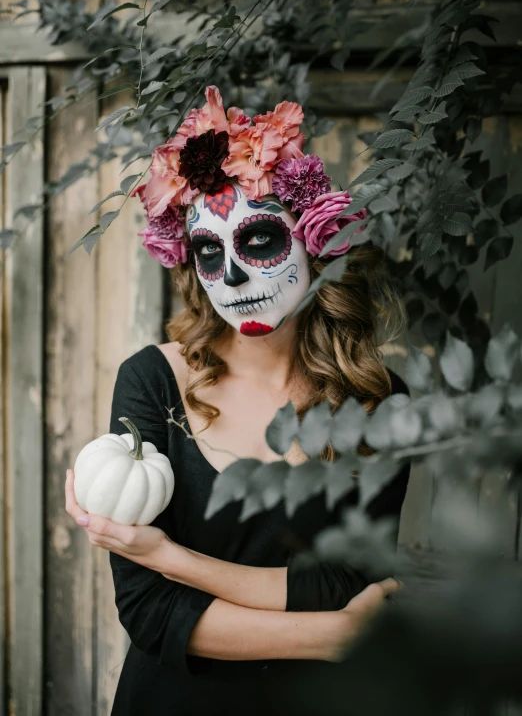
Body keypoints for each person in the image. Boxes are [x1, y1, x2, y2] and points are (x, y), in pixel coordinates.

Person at [65, 86, 410, 716]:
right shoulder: (152, 382)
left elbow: (340, 582)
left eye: (257, 242)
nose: (232, 276)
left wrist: (169, 557)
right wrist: (333, 635)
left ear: (316, 241)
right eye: (208, 251)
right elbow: (149, 610)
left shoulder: (379, 402)